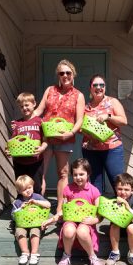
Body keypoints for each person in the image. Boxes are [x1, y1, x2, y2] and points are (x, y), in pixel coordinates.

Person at [34, 60, 85, 212]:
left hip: (65, 139)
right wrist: (24, 121)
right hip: (46, 137)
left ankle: (60, 210)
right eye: (61, 73)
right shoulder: (50, 90)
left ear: (73, 74)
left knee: (63, 173)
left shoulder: (78, 95)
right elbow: (39, 110)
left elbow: (80, 119)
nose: (65, 75)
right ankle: (38, 208)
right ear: (58, 75)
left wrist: (71, 133)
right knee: (40, 172)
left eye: (68, 73)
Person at [42, 158, 105, 265]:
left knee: (82, 231)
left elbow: (100, 213)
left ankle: (92, 256)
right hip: (70, 220)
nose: (78, 177)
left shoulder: (94, 191)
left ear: (88, 174)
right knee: (68, 230)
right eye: (75, 174)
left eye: (82, 174)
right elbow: (63, 210)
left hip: (86, 222)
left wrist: (94, 220)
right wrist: (51, 219)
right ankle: (66, 255)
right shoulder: (67, 189)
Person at [82, 74, 127, 194]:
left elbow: (123, 121)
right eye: (95, 85)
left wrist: (108, 117)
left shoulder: (112, 102)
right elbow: (80, 128)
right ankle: (99, 212)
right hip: (90, 150)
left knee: (117, 181)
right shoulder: (86, 107)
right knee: (95, 184)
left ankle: (122, 210)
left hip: (112, 149)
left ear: (105, 87)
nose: (99, 87)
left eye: (101, 85)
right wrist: (90, 135)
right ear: (90, 88)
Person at [6, 92, 48, 195]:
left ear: (34, 104)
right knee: (21, 187)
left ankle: (37, 206)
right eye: (21, 107)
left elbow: (46, 140)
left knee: (37, 186)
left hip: (36, 161)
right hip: (20, 161)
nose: (24, 108)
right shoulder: (17, 124)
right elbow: (13, 141)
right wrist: (8, 150)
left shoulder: (40, 121)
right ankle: (22, 207)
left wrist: (42, 148)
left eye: (27, 105)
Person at [105, 173, 133, 265]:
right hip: (117, 227)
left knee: (131, 227)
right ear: (115, 189)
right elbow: (110, 215)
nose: (123, 192)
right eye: (120, 189)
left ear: (132, 190)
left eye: (126, 190)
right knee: (114, 225)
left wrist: (126, 204)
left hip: (131, 228)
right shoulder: (112, 199)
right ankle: (115, 252)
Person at [11, 175, 51, 265]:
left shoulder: (37, 197)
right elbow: (13, 215)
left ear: (33, 186)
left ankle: (34, 253)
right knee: (19, 232)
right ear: (19, 191)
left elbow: (48, 205)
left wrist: (37, 202)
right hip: (22, 224)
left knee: (34, 232)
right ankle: (25, 253)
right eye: (24, 189)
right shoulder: (18, 202)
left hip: (35, 222)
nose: (28, 190)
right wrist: (20, 208)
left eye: (29, 187)